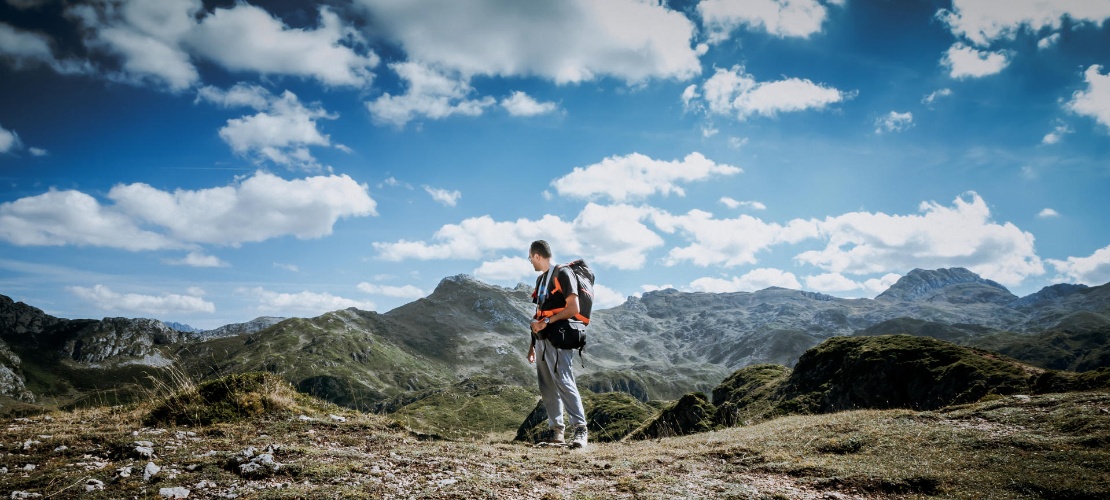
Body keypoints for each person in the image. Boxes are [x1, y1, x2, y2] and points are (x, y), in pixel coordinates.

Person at [527, 239, 588, 449]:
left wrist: (546, 322)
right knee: (547, 386)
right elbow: (538, 313)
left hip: (560, 338)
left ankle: (580, 429)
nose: (530, 262)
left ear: (537, 255)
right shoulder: (540, 280)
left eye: (530, 258)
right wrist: (532, 345)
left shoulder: (563, 274)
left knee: (563, 381)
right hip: (542, 341)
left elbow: (573, 308)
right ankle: (557, 432)